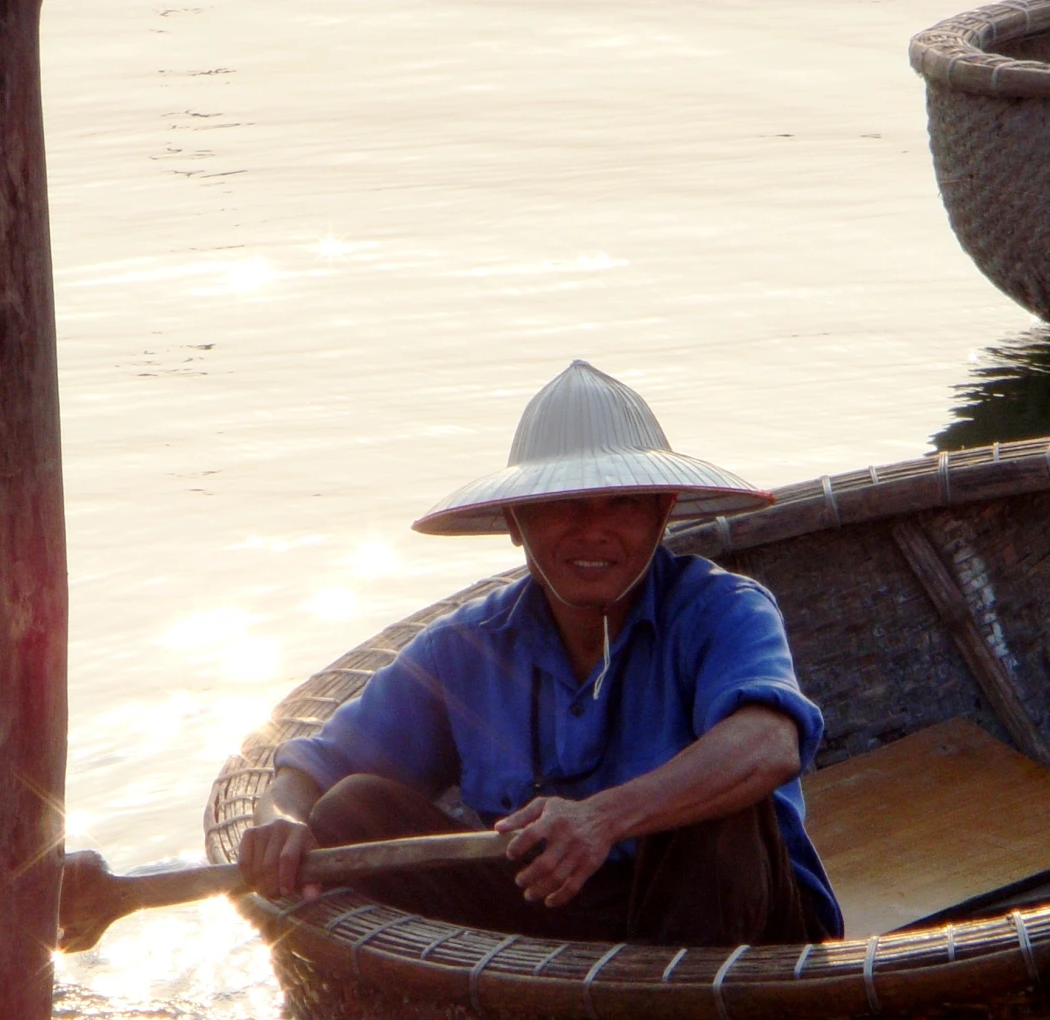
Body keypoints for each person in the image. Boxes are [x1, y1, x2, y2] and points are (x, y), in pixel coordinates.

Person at [238, 360, 841, 947]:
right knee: (352, 810)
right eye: (561, 505)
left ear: (663, 512)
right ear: (515, 521)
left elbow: (769, 743)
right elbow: (313, 769)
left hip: (734, 916)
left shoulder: (722, 609)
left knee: (722, 811)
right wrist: (282, 821)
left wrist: (604, 818)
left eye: (623, 504)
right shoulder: (467, 646)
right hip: (550, 911)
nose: (593, 531)